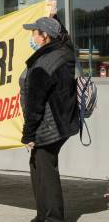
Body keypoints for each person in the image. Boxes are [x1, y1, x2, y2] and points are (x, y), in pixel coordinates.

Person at [20, 16, 79, 222]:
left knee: (46, 170)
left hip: (48, 126)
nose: (32, 36)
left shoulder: (44, 63)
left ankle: (53, 218)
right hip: (62, 121)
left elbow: (35, 103)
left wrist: (28, 134)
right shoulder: (63, 52)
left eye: (35, 33)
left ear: (45, 36)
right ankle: (41, 215)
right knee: (37, 165)